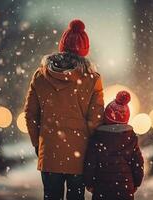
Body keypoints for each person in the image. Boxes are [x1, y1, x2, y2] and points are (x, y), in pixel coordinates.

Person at [24, 19, 104, 200]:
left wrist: (38, 142)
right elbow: (96, 119)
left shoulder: (41, 76)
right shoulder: (92, 79)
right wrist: (89, 143)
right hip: (79, 154)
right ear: (85, 50)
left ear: (62, 46)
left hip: (50, 153)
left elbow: (30, 115)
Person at [84, 91, 144, 200]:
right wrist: (136, 183)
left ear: (106, 117)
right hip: (125, 188)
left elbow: (90, 162)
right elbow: (138, 163)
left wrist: (89, 182)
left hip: (101, 186)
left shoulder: (97, 137)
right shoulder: (131, 138)